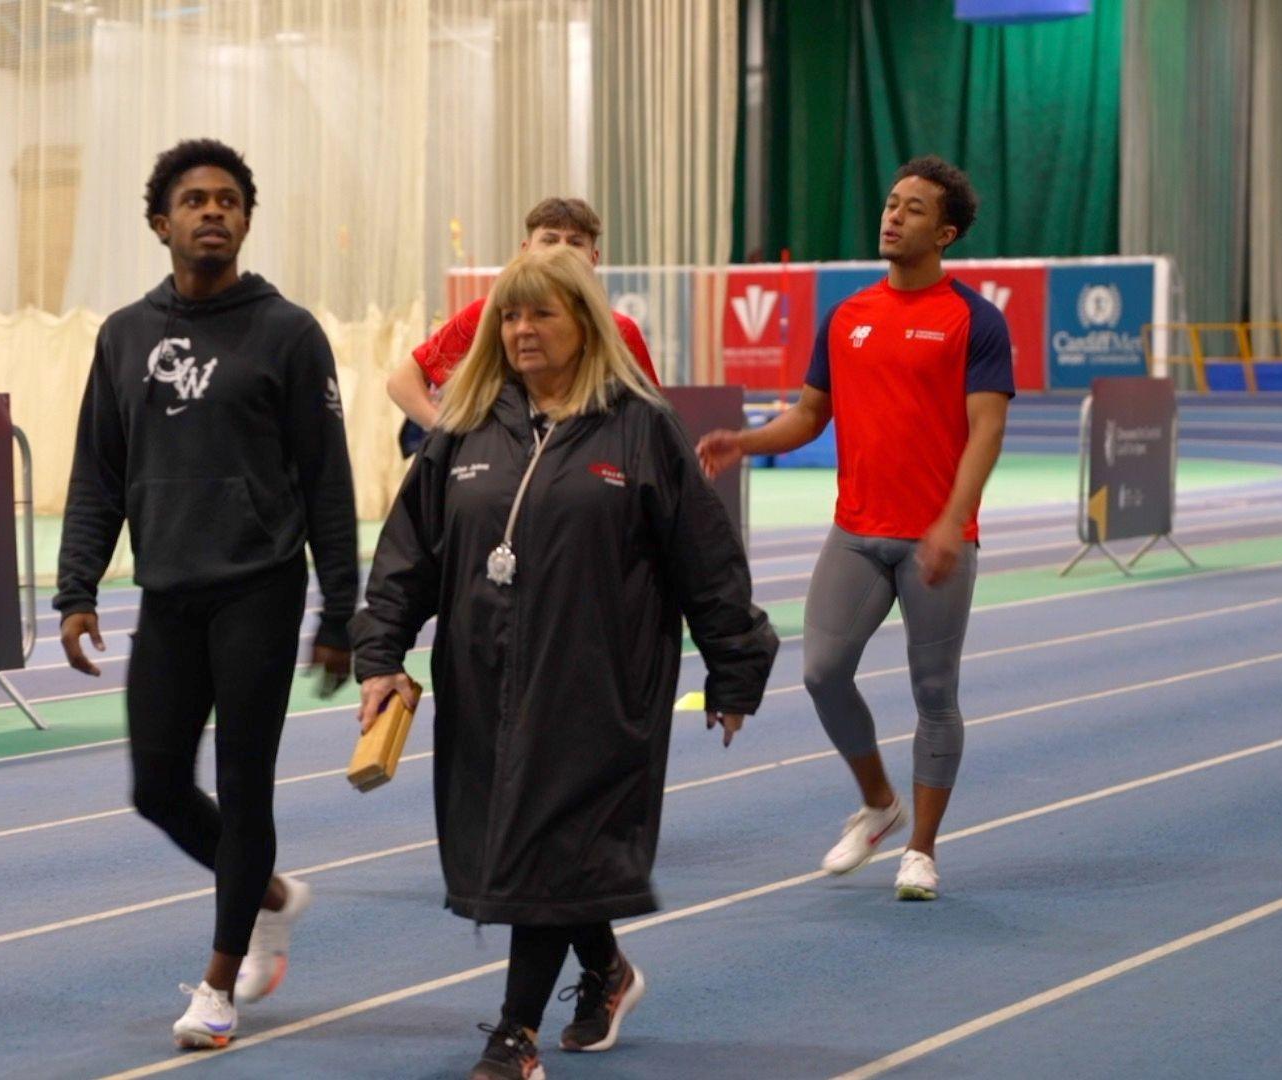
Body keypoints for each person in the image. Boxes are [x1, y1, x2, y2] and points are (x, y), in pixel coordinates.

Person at [353, 246, 777, 1080]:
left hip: (598, 683)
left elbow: (707, 560)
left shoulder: (639, 425)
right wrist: (381, 654)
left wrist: (733, 671)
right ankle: (607, 971)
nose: (521, 330)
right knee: (529, 848)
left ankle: (514, 1036)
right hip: (483, 683)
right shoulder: (468, 426)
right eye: (510, 315)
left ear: (584, 323)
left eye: (541, 313)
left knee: (549, 843)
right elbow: (409, 552)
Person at [53, 138, 358, 1049]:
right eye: (194, 200)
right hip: (169, 596)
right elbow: (98, 474)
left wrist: (340, 611)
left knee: (244, 788)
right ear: (161, 223)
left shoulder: (289, 334)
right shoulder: (125, 335)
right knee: (155, 788)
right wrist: (76, 589)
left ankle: (219, 985)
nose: (212, 212)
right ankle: (266, 893)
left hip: (259, 590)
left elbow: (328, 480)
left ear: (247, 220)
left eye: (228, 199)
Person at [697, 155, 1012, 902]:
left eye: (912, 208)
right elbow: (810, 414)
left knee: (934, 690)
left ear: (947, 232)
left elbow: (986, 430)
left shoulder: (976, 319)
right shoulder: (848, 315)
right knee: (821, 672)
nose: (893, 215)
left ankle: (923, 851)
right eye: (891, 202)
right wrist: (744, 440)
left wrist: (948, 522)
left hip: (937, 540)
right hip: (857, 533)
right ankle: (879, 804)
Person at [387, 197, 661, 452]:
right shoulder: (485, 316)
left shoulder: (620, 331)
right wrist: (450, 437)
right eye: (550, 240)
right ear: (526, 250)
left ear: (594, 258)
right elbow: (402, 382)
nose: (561, 251)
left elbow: (651, 420)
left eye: (575, 242)